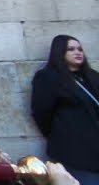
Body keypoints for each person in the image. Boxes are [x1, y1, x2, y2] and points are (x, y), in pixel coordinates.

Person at [32, 35, 99, 185]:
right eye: (71, 49)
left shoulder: (92, 77)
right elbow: (42, 113)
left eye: (80, 49)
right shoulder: (48, 77)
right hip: (74, 152)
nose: (78, 52)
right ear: (59, 52)